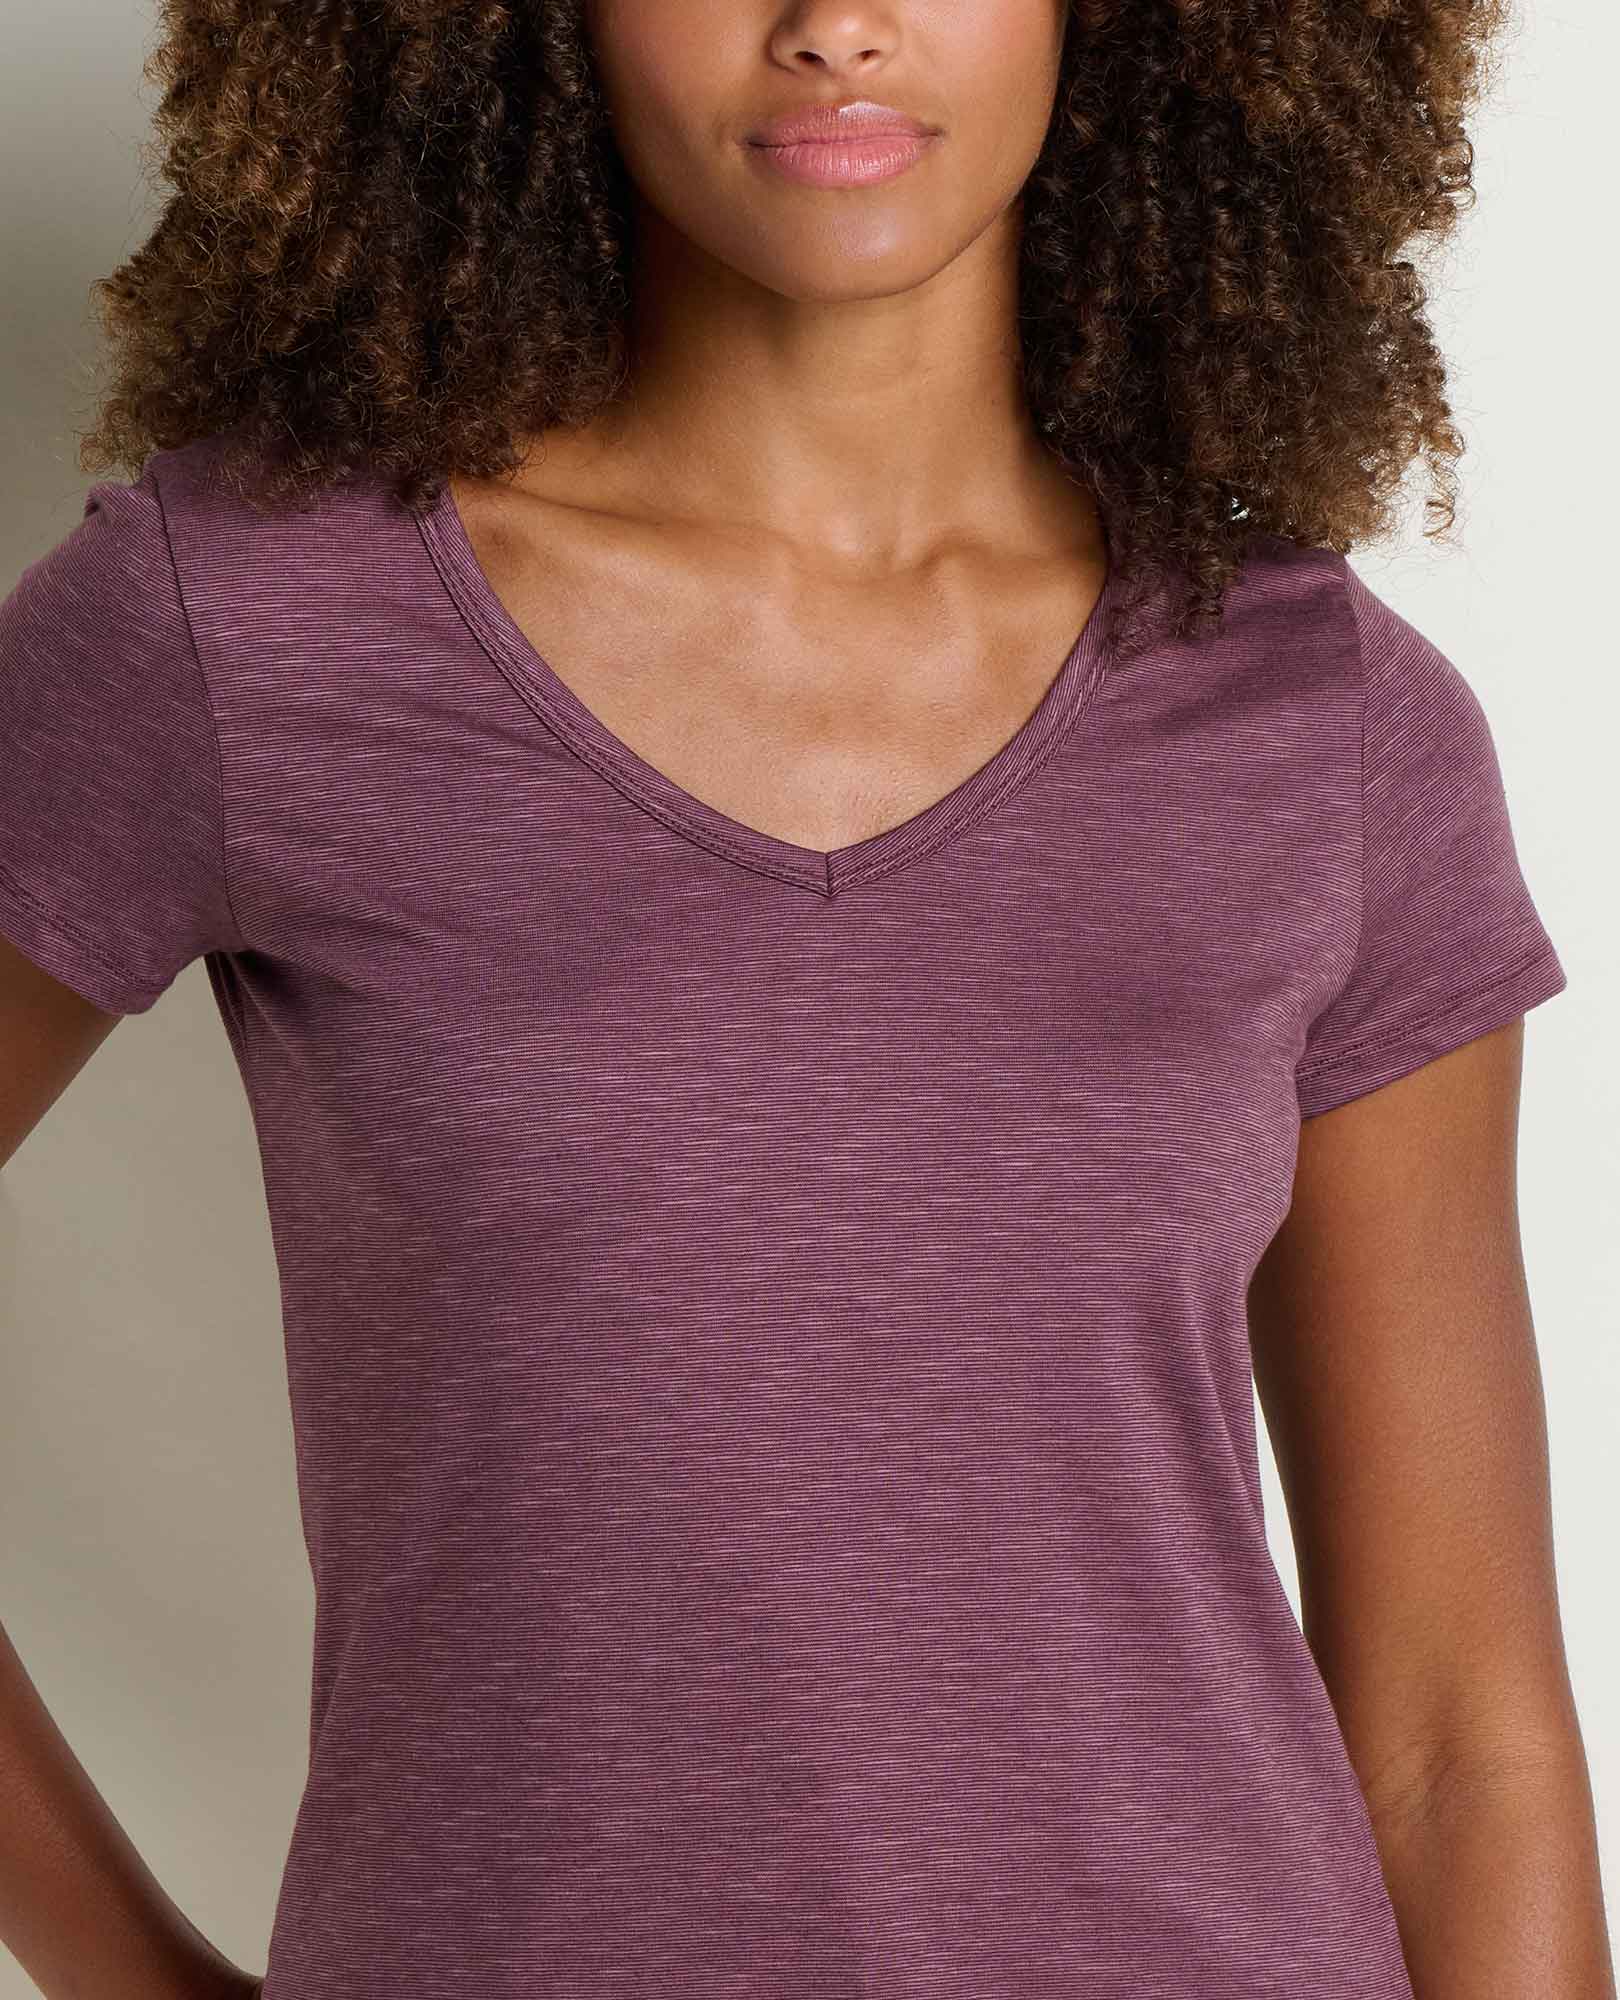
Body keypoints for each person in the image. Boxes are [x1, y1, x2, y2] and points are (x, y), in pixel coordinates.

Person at [0, 3, 1608, 1997]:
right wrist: (134, 1977)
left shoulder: (1329, 724)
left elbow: (1461, 1733)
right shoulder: (241, 631)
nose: (833, 25)